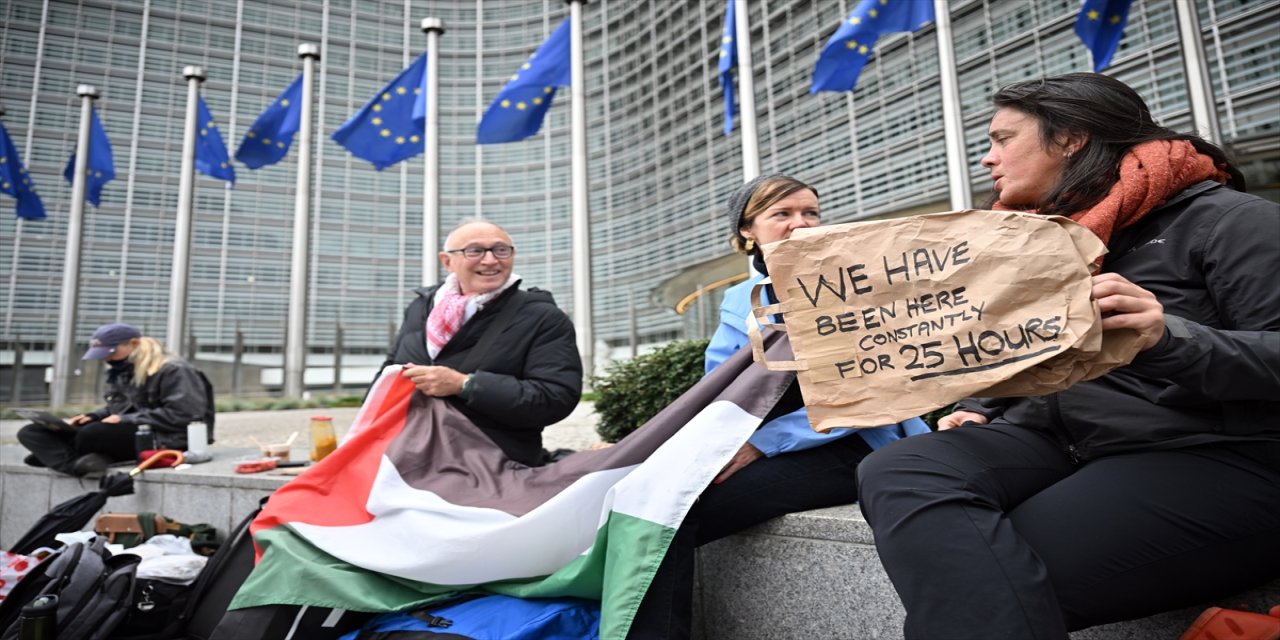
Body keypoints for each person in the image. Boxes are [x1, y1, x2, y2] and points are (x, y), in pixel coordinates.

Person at [857, 73, 1280, 639]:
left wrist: (1166, 337)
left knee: (987, 577)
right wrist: (989, 402)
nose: (988, 159)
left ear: (1071, 139)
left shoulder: (1231, 222)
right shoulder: (1036, 240)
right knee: (897, 466)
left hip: (1213, 451)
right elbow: (1039, 356)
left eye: (1002, 139)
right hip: (1063, 437)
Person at [628, 174, 930, 639]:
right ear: (748, 230)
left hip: (850, 445)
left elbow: (869, 391)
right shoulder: (738, 301)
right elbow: (721, 390)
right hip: (771, 445)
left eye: (810, 212)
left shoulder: (851, 285)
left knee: (677, 517)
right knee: (653, 500)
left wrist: (762, 444)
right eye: (782, 214)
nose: (800, 224)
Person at [377, 219, 582, 467]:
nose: (490, 260)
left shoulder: (543, 317)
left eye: (500, 250)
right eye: (474, 251)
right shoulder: (421, 307)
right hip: (406, 454)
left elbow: (555, 397)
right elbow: (387, 374)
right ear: (447, 261)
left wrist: (465, 385)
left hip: (490, 461)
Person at [19, 323, 213, 476]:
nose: (107, 359)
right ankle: (76, 463)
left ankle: (60, 457)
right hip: (130, 431)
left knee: (93, 434)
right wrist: (93, 415)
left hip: (166, 437)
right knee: (31, 432)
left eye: (110, 352)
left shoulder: (174, 369)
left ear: (134, 343)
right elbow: (120, 407)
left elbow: (185, 414)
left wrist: (124, 420)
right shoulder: (122, 371)